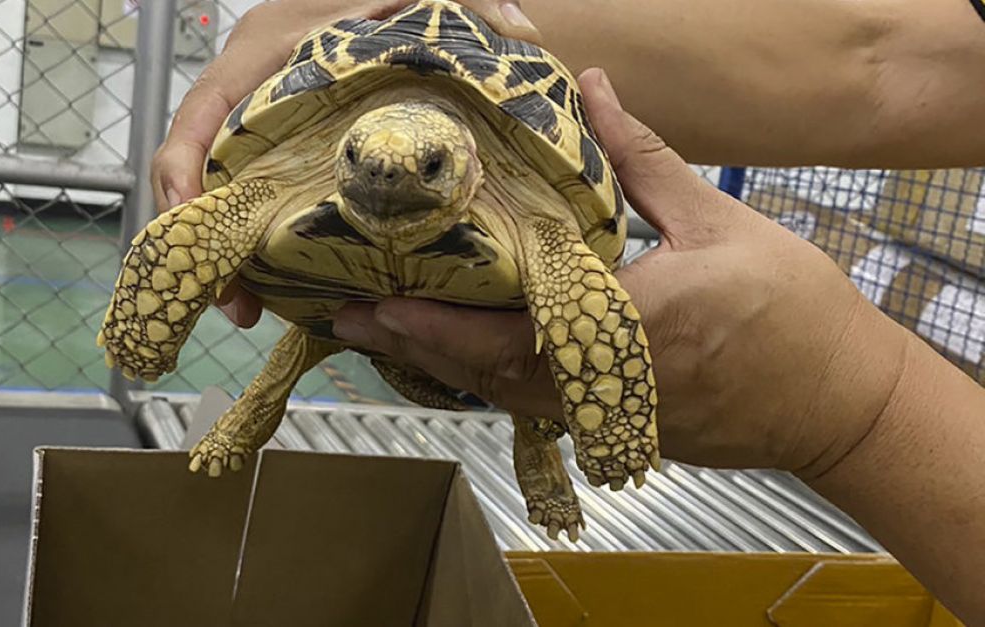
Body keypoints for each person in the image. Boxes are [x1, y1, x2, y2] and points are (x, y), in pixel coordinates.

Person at [149, 1, 985, 623]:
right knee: (290, 343)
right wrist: (413, 16)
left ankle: (537, 443)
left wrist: (859, 407)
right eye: (363, 160)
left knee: (558, 330)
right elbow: (883, 63)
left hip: (508, 234)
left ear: (463, 163)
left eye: (427, 166)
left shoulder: (538, 237)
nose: (389, 179)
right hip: (387, 207)